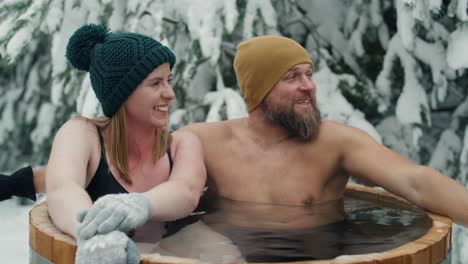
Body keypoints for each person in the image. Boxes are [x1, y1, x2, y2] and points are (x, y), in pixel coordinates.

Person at [3, 35, 468, 258]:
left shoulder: (335, 143)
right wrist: (22, 181)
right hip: (229, 250)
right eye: (292, 77)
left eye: (310, 74)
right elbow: (119, 168)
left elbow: (416, 181)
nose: (309, 87)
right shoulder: (207, 140)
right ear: (259, 91)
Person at [32, 24, 206, 264]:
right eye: (156, 83)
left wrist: (138, 204)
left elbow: (187, 192)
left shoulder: (182, 143)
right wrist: (91, 235)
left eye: (169, 80)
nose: (170, 94)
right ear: (123, 93)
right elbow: (62, 189)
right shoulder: (83, 134)